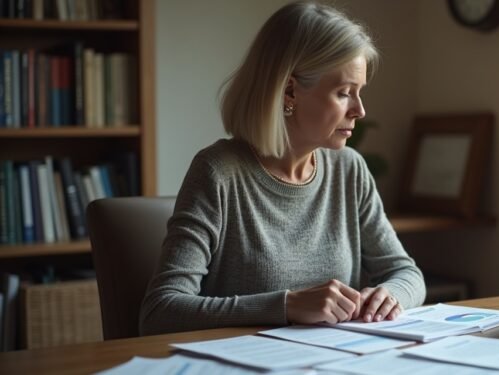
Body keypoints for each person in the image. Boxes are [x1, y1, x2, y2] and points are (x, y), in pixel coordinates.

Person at [139, 1, 426, 335]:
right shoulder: (218, 173)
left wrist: (390, 296)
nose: (359, 110)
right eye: (344, 93)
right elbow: (159, 311)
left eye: (359, 93)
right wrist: (286, 306)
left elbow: (408, 274)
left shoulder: (350, 170)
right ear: (289, 90)